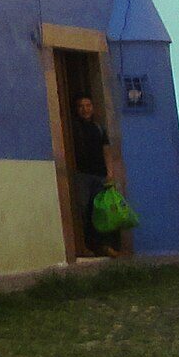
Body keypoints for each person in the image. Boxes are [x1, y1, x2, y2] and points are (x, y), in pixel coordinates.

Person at [71, 93, 117, 257]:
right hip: (82, 175)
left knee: (101, 211)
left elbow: (106, 150)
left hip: (100, 175)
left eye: (88, 106)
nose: (85, 109)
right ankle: (83, 246)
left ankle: (104, 245)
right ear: (77, 109)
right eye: (81, 106)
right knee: (83, 211)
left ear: (93, 108)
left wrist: (110, 172)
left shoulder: (99, 129)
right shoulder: (73, 129)